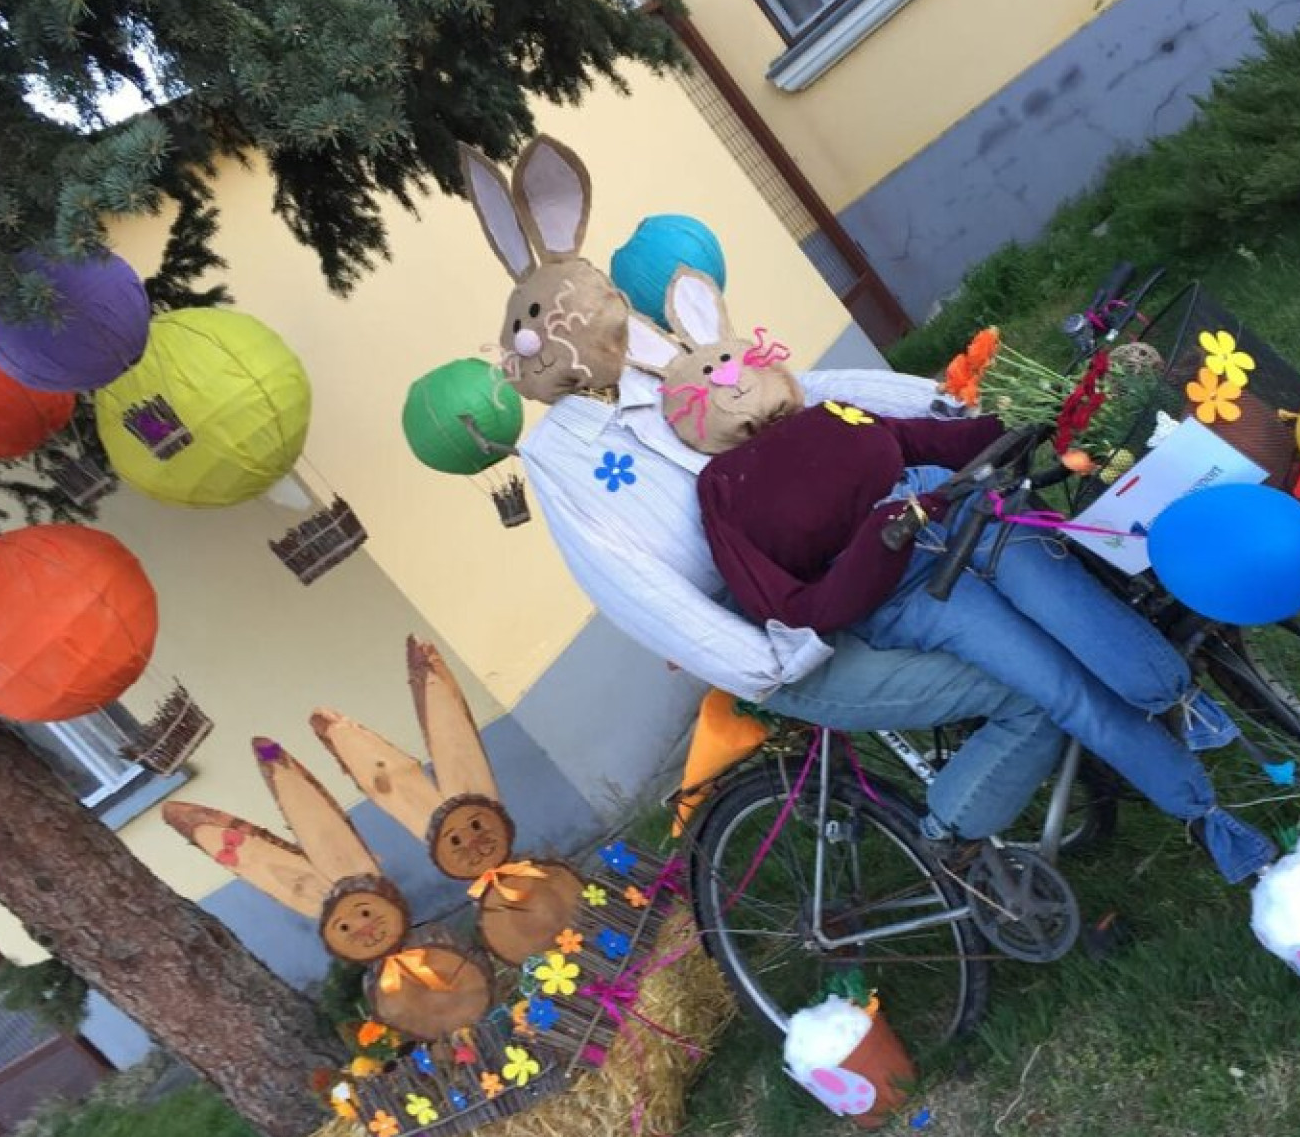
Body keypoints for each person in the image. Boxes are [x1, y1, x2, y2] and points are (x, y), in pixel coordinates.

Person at [457, 138, 1069, 858]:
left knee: (1017, 613)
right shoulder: (564, 455)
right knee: (1020, 693)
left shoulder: (658, 371)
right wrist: (765, 662)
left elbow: (806, 399)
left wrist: (946, 407)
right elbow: (629, 583)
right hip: (779, 630)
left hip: (841, 563)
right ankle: (948, 848)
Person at [641, 269, 1274, 885]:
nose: (728, 381)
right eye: (709, 380)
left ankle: (1180, 702)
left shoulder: (830, 414)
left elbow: (922, 442)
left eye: (732, 364)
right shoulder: (720, 490)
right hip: (908, 589)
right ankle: (1205, 814)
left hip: (969, 510)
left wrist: (1041, 414)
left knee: (1077, 611)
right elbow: (790, 606)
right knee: (1057, 685)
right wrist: (875, 547)